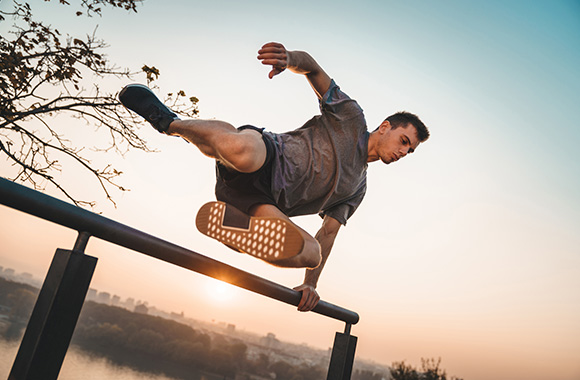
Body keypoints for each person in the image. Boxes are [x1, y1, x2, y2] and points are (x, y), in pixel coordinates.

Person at [119, 42, 430, 312]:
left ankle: (237, 228)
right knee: (242, 150)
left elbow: (328, 234)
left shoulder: (357, 188)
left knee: (310, 252)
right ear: (387, 126)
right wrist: (289, 58)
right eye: (405, 141)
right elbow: (314, 69)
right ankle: (169, 123)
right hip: (266, 155)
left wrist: (310, 284)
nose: (404, 152)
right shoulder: (351, 118)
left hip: (262, 202)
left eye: (411, 151)